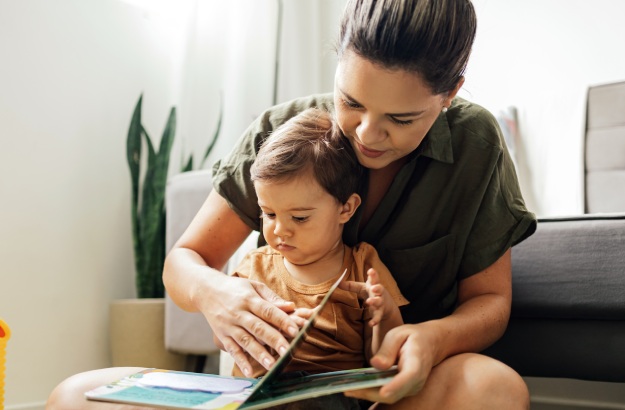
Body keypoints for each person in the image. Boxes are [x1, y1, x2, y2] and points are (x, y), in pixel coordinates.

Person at [48, 0, 536, 408]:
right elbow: (184, 261)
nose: (366, 134)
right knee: (75, 396)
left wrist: (434, 339)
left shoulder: (476, 143)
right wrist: (214, 295)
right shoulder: (282, 132)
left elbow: (490, 303)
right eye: (351, 102)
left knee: (493, 389)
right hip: (263, 392)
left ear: (449, 93)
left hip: (391, 396)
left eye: (401, 119)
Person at [224, 107, 408, 383]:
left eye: (299, 217)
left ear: (346, 209)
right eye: (269, 214)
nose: (279, 229)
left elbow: (380, 359)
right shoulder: (254, 267)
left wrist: (386, 315)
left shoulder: (362, 267)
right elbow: (222, 335)